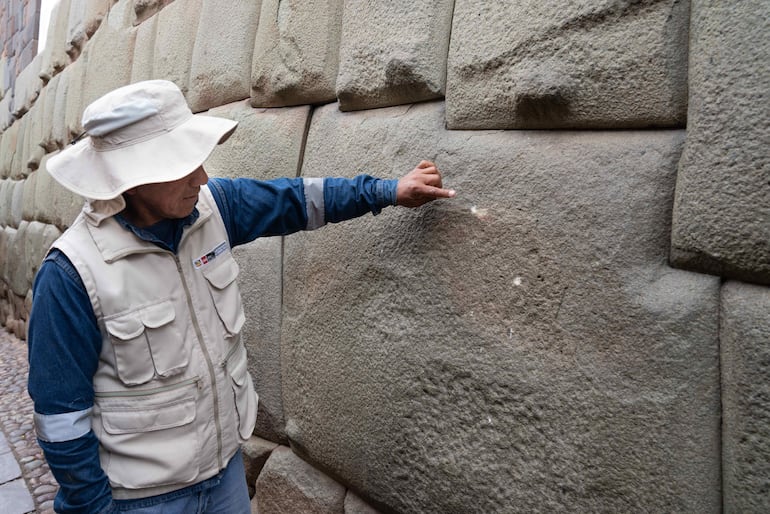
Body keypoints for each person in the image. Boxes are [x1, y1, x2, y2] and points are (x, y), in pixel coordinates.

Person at [27, 79, 456, 513]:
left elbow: (296, 199)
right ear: (131, 179)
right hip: (138, 502)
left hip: (226, 477)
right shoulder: (70, 274)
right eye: (182, 165)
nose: (202, 177)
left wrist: (389, 191)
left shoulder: (215, 208)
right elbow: (61, 418)